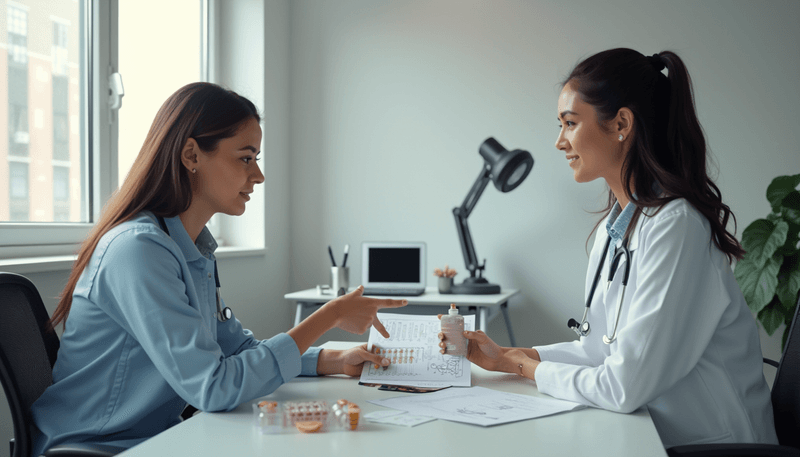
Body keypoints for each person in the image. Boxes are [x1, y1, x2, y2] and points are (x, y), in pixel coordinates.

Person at [31, 82, 406, 454]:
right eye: (246, 158)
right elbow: (214, 387)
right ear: (191, 154)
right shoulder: (138, 250)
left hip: (156, 438)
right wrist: (330, 315)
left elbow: (236, 350)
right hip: (96, 446)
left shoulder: (192, 247)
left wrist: (334, 359)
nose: (258, 175)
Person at [439, 49, 778, 447]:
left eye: (569, 123)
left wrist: (517, 366)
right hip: (652, 431)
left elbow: (623, 386)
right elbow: (598, 350)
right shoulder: (616, 228)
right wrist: (509, 355)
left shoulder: (676, 226)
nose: (559, 142)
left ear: (621, 124)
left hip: (712, 443)